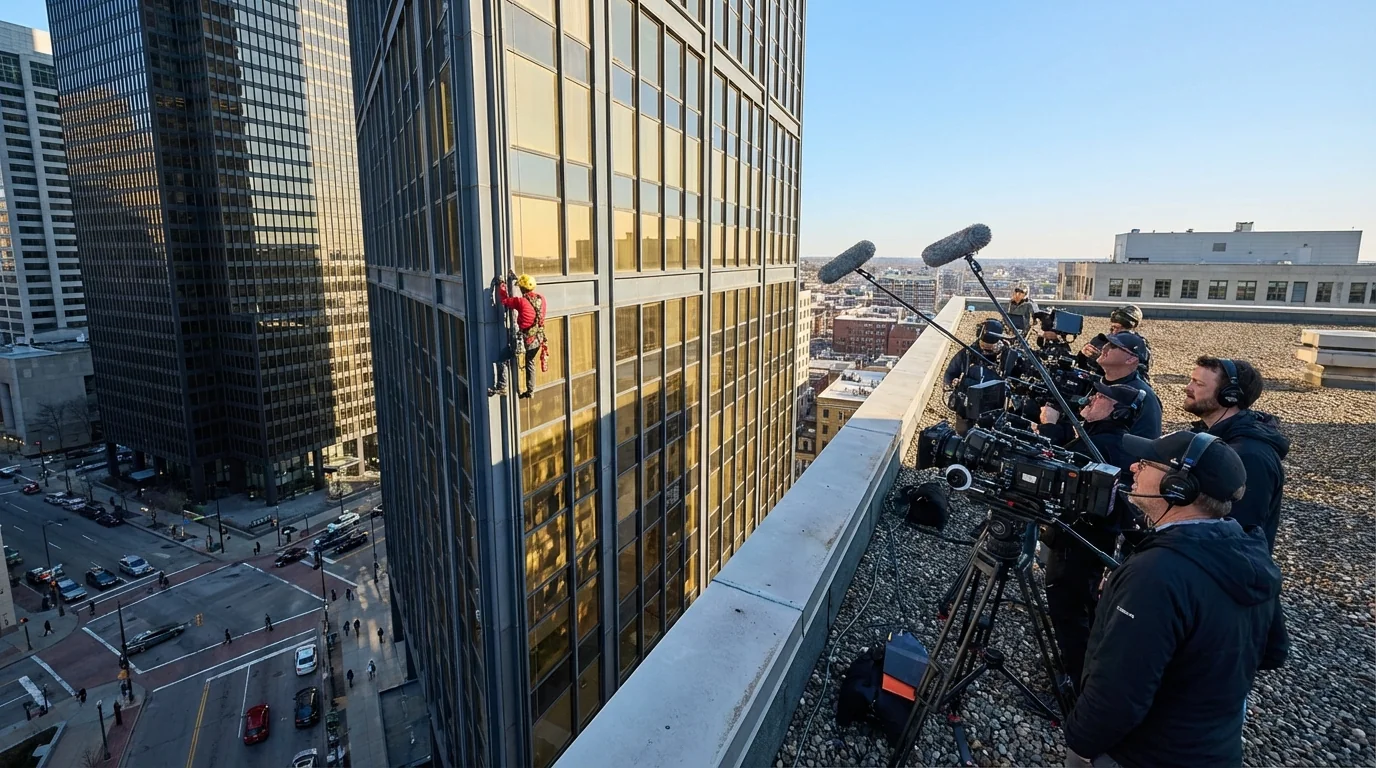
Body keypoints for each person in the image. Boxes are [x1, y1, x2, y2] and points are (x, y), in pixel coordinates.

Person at [1063, 431, 1288, 767]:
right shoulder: (1250, 555)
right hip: (1216, 750)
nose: (1135, 466)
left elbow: (1118, 695)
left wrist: (1079, 745)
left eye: (1148, 463)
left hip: (1145, 754)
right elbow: (1272, 651)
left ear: (1179, 487)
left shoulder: (1156, 575)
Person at [1036, 382, 1143, 687]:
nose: (1092, 399)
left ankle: (1077, 683)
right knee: (1087, 608)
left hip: (1077, 542)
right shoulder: (1121, 443)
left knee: (1068, 612)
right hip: (1099, 541)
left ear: (1117, 411)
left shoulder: (1097, 446)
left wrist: (1049, 427)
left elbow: (1051, 469)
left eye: (1101, 398)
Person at [1183, 356, 1289, 550]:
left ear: (1229, 396)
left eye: (1198, 383)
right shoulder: (1211, 435)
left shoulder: (1249, 456)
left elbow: (1237, 532)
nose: (1188, 388)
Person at [943, 320, 1011, 433]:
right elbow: (950, 372)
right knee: (962, 434)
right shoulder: (967, 353)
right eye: (983, 344)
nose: (985, 347)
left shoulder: (1006, 356)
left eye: (990, 346)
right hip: (966, 403)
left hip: (992, 407)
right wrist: (950, 383)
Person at [489, 272, 548, 399]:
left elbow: (506, 301)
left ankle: (502, 386)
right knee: (530, 362)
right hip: (539, 338)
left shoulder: (521, 302)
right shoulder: (541, 299)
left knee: (502, 360)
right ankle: (530, 390)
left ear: (522, 288)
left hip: (526, 339)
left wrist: (502, 285)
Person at [1092, 332, 1161, 439]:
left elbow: (1149, 444)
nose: (1104, 348)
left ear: (1131, 359)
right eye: (1106, 343)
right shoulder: (1098, 382)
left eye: (1113, 346)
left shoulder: (1142, 397)